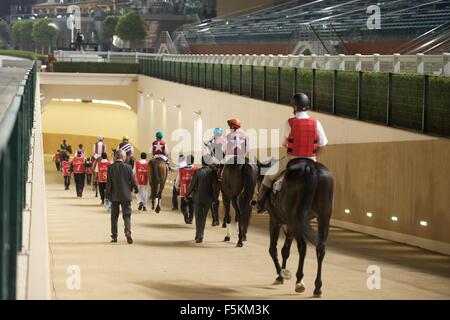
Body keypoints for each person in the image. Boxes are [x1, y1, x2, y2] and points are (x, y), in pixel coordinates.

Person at [255, 92, 328, 213]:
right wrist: (313, 156)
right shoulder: (317, 123)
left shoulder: (290, 123)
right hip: (311, 160)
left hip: (292, 159)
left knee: (268, 176)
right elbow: (323, 144)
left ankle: (260, 204)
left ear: (294, 107)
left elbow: (284, 143)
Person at [105, 149, 139, 244]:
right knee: (127, 215)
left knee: (114, 217)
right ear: (123, 157)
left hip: (114, 196)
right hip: (126, 195)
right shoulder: (128, 167)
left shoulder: (110, 168)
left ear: (116, 157)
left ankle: (114, 236)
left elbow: (109, 184)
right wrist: (136, 189)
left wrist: (107, 196)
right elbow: (133, 180)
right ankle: (127, 232)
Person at [185, 156, 220, 243]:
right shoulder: (212, 172)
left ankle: (198, 235)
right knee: (203, 217)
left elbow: (192, 185)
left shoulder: (198, 172)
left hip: (198, 197)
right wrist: (215, 197)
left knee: (198, 216)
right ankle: (201, 235)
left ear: (202, 162)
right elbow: (216, 186)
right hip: (208, 198)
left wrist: (187, 194)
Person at [175, 155, 196, 224]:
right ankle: (190, 219)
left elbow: (177, 181)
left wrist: (177, 187)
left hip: (183, 191)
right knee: (191, 206)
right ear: (193, 161)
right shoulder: (196, 170)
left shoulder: (181, 169)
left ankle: (186, 215)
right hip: (192, 192)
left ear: (186, 161)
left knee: (182, 206)